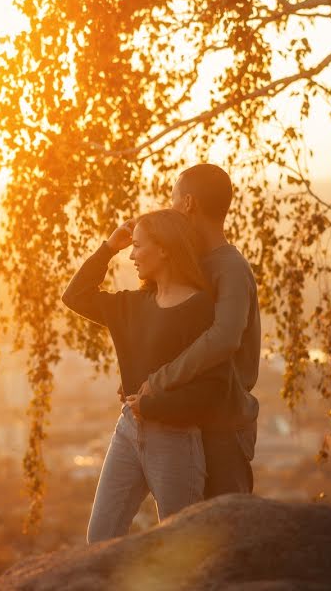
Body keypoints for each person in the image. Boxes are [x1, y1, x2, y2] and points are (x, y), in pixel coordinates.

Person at [62, 208, 233, 543]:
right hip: (128, 431)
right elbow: (75, 296)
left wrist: (153, 406)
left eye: (138, 246)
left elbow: (215, 389)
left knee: (178, 544)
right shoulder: (133, 306)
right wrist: (108, 247)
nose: (131, 254)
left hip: (176, 440)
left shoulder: (199, 309)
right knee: (100, 539)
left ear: (165, 249)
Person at [136, 163, 261, 497]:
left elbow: (223, 339)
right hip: (191, 416)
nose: (170, 206)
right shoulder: (195, 266)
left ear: (188, 204)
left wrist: (159, 381)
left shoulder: (229, 267)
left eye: (173, 198)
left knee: (226, 527)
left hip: (224, 423)